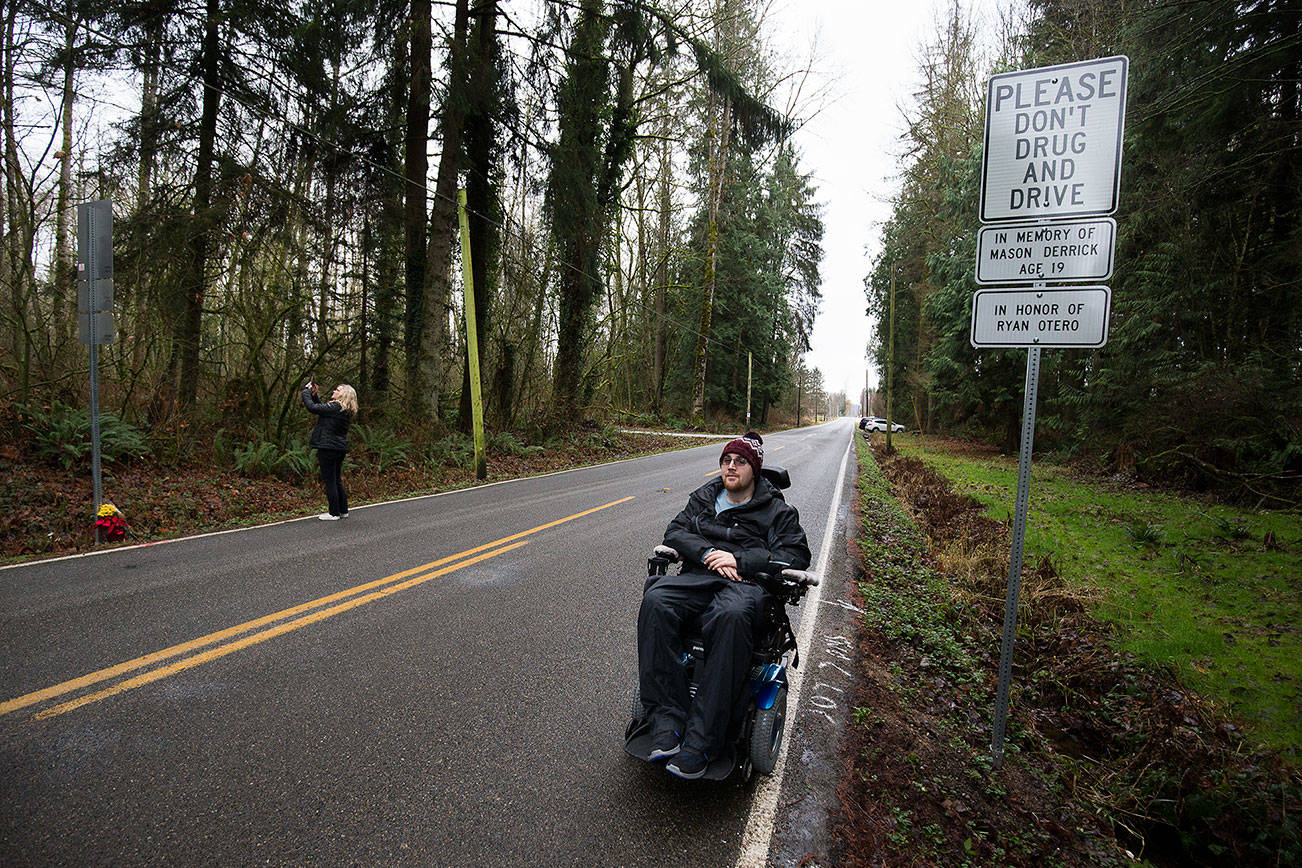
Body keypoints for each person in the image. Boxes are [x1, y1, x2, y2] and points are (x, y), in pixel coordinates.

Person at [637, 431, 811, 779]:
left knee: (729, 616)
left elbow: (795, 555)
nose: (731, 467)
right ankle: (668, 722)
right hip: (698, 575)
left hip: (746, 586)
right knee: (656, 598)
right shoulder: (704, 498)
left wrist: (740, 560)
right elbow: (675, 532)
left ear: (754, 470)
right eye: (726, 461)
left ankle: (702, 741)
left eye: (740, 462)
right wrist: (706, 553)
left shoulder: (778, 511)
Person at [301, 380, 357, 520]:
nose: (334, 391)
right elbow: (321, 408)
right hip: (339, 448)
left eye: (337, 390)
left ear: (343, 394)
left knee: (330, 480)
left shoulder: (335, 407)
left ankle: (333, 513)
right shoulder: (344, 409)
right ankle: (343, 510)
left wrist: (305, 392)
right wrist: (314, 395)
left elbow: (313, 408)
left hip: (328, 447)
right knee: (336, 479)